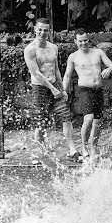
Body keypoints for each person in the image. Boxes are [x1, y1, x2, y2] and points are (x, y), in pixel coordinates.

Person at [24, 18, 81, 163]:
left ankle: (72, 149)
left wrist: (62, 89)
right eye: (40, 29)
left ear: (49, 31)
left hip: (54, 85)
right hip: (40, 88)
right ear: (35, 30)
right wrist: (52, 88)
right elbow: (36, 73)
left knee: (66, 116)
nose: (43, 33)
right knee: (41, 122)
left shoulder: (53, 47)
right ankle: (38, 153)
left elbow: (56, 70)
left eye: (45, 30)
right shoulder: (30, 49)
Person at [63, 28, 112, 160]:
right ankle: (84, 146)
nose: (83, 43)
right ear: (75, 41)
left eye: (85, 40)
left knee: (98, 121)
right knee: (89, 118)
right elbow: (68, 75)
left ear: (89, 39)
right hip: (84, 89)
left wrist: (109, 69)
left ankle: (93, 146)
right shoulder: (73, 57)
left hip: (98, 89)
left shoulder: (98, 52)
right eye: (80, 41)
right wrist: (63, 91)